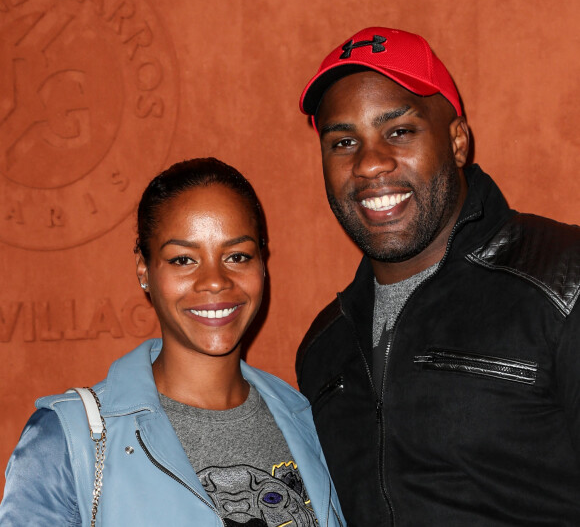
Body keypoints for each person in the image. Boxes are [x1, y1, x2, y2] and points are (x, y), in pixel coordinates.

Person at [295, 27, 580, 526]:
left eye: (399, 131)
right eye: (343, 141)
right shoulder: (324, 347)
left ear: (457, 141)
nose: (369, 163)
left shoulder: (564, 280)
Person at [0, 158, 346, 527]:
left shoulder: (307, 418)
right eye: (183, 259)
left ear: (262, 264)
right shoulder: (65, 440)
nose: (215, 280)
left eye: (237, 256)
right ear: (144, 271)